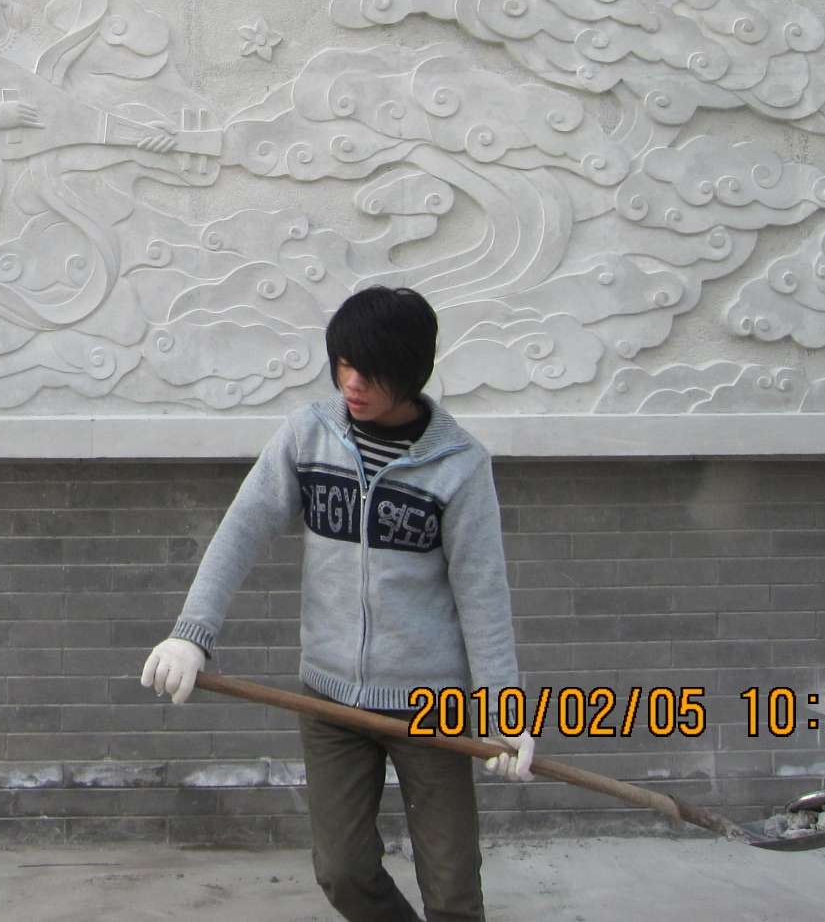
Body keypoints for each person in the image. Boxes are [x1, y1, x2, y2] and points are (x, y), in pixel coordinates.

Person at [141, 285, 534, 922]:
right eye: (343, 365)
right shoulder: (309, 436)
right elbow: (241, 530)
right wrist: (192, 633)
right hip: (329, 701)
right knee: (343, 872)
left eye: (370, 372)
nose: (351, 383)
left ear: (410, 372)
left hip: (431, 708)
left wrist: (503, 709)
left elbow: (483, 594)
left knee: (452, 886)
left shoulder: (459, 466)